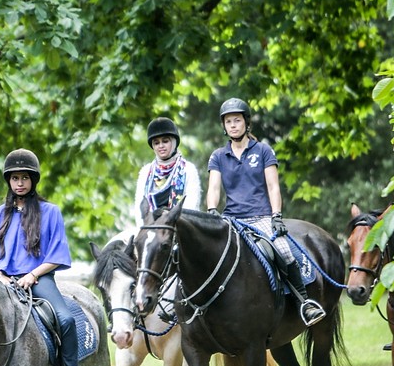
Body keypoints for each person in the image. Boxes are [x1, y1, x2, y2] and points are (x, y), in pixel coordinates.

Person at [204, 97, 326, 327]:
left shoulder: (263, 150)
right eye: (228, 121)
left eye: (237, 120)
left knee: (285, 252)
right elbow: (213, 188)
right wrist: (212, 211)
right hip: (231, 219)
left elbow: (273, 187)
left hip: (260, 217)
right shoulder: (218, 156)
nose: (232, 125)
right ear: (224, 126)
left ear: (246, 123)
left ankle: (305, 303)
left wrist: (276, 215)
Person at [0, 149, 82, 366]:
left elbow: (57, 254)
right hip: (1, 281)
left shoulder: (50, 212)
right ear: (9, 181)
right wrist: (0, 278)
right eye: (15, 178)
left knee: (66, 320)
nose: (20, 183)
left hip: (39, 279)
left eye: (25, 178)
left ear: (33, 180)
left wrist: (32, 275)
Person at [133, 117, 201, 224]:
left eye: (165, 141)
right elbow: (139, 208)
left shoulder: (188, 169)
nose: (161, 146)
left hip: (179, 227)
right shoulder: (145, 173)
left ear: (173, 142)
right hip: (150, 229)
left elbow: (191, 207)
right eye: (156, 143)